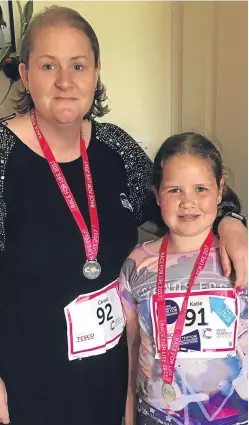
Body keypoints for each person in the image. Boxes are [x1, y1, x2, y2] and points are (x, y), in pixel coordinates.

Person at [0, 5, 247, 425]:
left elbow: (179, 201)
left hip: (114, 375)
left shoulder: (116, 146)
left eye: (78, 65)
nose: (64, 80)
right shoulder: (4, 155)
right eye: (48, 65)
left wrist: (231, 221)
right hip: (29, 378)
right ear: (25, 75)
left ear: (96, 72)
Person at [119, 132, 248, 425]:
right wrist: (128, 415)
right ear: (157, 194)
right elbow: (130, 350)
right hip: (157, 416)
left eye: (201, 188)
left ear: (220, 191)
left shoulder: (242, 256)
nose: (188, 202)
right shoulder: (137, 264)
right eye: (174, 190)